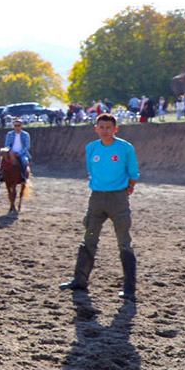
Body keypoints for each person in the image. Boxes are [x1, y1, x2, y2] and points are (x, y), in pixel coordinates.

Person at [59, 113, 140, 301]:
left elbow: (133, 172)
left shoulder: (125, 148)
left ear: (115, 129)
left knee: (123, 241)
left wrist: (129, 188)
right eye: (101, 127)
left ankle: (129, 288)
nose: (105, 131)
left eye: (108, 127)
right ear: (96, 128)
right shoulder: (91, 148)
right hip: (96, 198)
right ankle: (79, 280)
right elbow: (91, 171)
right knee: (89, 238)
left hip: (118, 199)